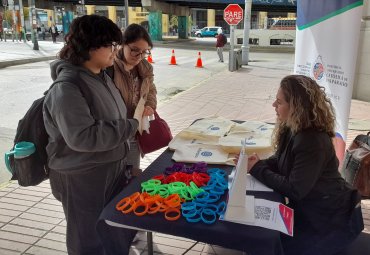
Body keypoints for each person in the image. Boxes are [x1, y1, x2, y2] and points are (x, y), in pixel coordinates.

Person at [43, 15, 143, 255]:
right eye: (110, 45)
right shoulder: (67, 87)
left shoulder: (101, 76)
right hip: (82, 177)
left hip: (110, 170)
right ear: (89, 45)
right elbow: (83, 137)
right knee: (87, 239)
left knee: (111, 232)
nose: (114, 51)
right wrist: (131, 126)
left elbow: (113, 121)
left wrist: (128, 163)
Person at [243, 75, 363, 255]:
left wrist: (257, 168)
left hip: (330, 219)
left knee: (274, 245)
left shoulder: (312, 140)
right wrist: (257, 164)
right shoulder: (292, 127)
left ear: (296, 107)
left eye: (279, 102)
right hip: (311, 209)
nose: (274, 106)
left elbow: (294, 189)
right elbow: (282, 160)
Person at [109, 23, 157, 178]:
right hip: (115, 133)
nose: (139, 56)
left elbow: (151, 89)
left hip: (135, 130)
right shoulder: (110, 68)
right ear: (123, 44)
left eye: (144, 52)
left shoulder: (144, 68)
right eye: (135, 50)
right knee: (115, 178)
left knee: (132, 175)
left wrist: (150, 104)